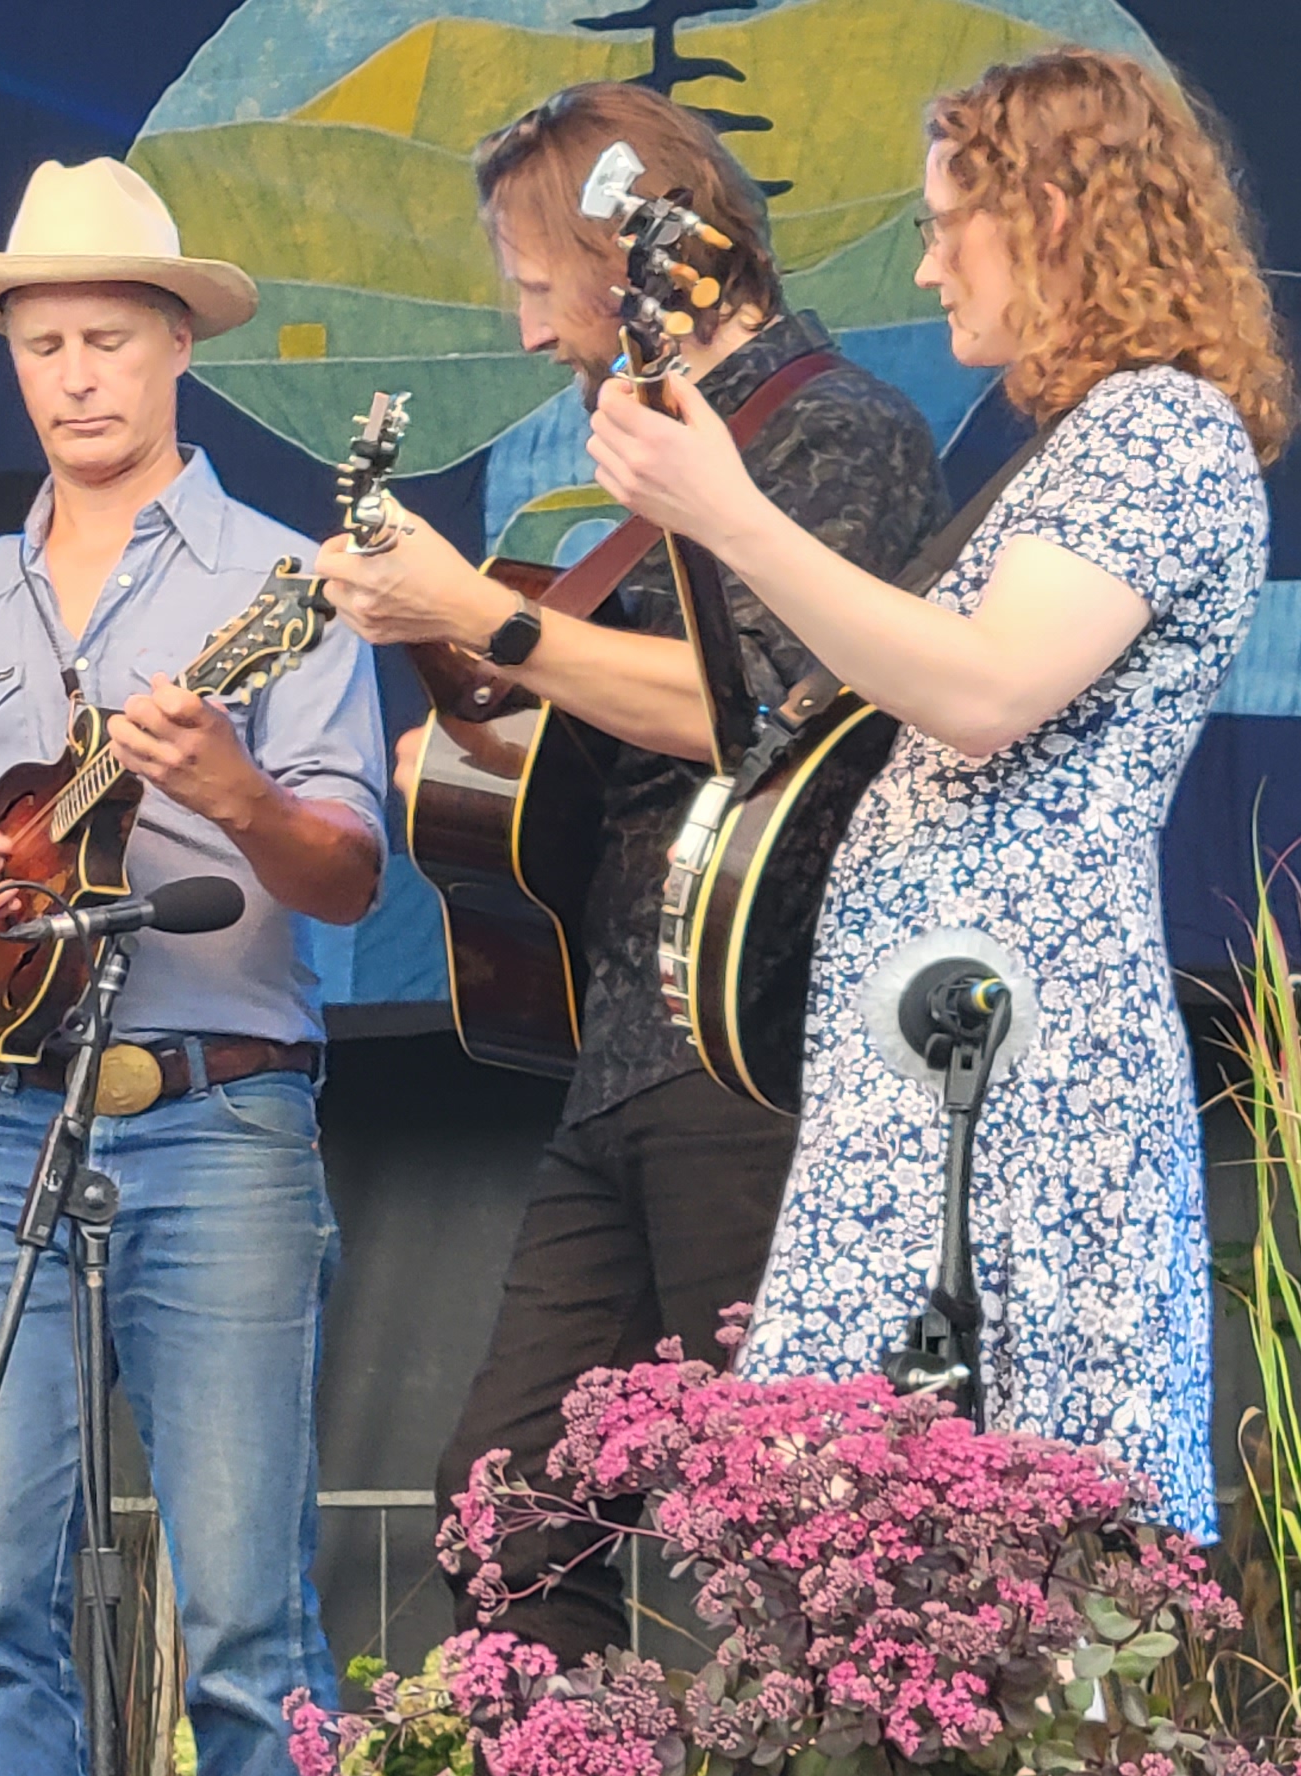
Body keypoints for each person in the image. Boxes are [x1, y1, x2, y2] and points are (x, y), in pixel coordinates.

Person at [588, 47, 1285, 1536]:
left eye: (943, 220)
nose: (924, 263)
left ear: (1045, 211)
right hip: (939, 1059)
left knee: (1013, 1577)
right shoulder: (1084, 443)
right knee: (878, 1588)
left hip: (1012, 1073)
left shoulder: (1158, 429)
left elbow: (982, 690)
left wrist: (731, 514)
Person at [309, 83, 949, 1665]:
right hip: (623, 1055)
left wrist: (493, 621)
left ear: (633, 256)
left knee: (800, 1525)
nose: (531, 335)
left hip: (760, 1044)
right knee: (508, 1508)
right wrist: (480, 750)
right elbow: (623, 711)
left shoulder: (838, 433)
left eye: (536, 289)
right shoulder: (672, 459)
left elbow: (770, 721)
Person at [0, 159, 387, 1776]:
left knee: (242, 1622)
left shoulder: (277, 577)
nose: (74, 374)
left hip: (216, 1113)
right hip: (2, 1114)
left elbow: (350, 872)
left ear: (178, 344)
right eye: (42, 343)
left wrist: (234, 793)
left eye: (108, 335)